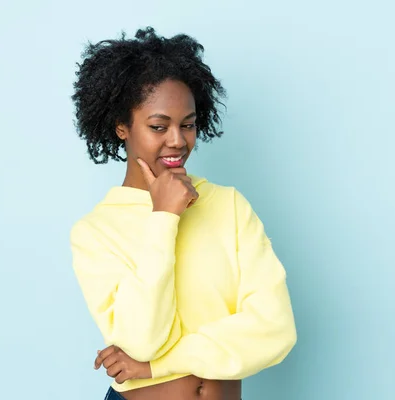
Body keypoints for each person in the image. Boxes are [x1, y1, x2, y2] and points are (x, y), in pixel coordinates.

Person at [69, 27, 297, 400]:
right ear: (121, 127)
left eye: (188, 125)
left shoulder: (228, 206)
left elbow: (275, 329)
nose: (177, 140)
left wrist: (159, 366)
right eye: (159, 126)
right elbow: (141, 341)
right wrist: (163, 217)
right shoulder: (96, 232)